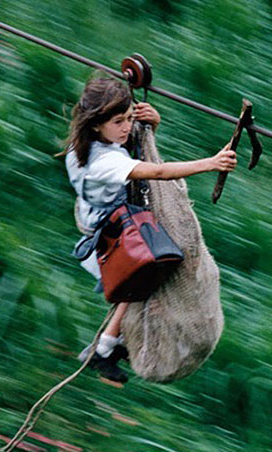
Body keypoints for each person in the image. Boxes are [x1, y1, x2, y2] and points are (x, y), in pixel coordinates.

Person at [62, 77, 237, 382]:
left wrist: (150, 126)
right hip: (110, 235)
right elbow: (155, 171)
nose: (126, 127)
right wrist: (212, 163)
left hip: (107, 217)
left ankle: (107, 345)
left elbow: (133, 152)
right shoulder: (104, 163)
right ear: (95, 125)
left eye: (130, 118)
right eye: (118, 121)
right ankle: (105, 347)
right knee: (145, 274)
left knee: (134, 289)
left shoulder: (90, 146)